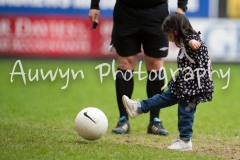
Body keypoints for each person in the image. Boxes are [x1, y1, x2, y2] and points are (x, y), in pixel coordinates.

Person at [88, 0, 188, 135]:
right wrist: (95, 5)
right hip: (126, 12)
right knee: (125, 63)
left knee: (156, 65)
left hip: (157, 13)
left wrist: (181, 6)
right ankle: (123, 119)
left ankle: (155, 120)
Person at [122, 12, 214, 151]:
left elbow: (194, 41)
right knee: (164, 98)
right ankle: (138, 108)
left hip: (194, 85)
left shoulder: (191, 39)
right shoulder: (185, 42)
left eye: (170, 36)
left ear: (177, 31)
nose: (170, 40)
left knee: (185, 111)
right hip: (184, 82)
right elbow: (202, 54)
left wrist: (193, 42)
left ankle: (185, 140)